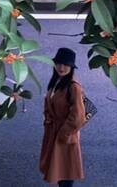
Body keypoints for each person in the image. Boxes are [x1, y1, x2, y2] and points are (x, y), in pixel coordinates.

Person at [39, 47, 87, 187]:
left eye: (66, 65)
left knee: (65, 172)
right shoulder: (56, 81)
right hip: (55, 132)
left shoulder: (73, 87)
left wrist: (64, 134)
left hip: (65, 135)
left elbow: (78, 116)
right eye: (59, 63)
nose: (62, 67)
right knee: (60, 170)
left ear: (71, 67)